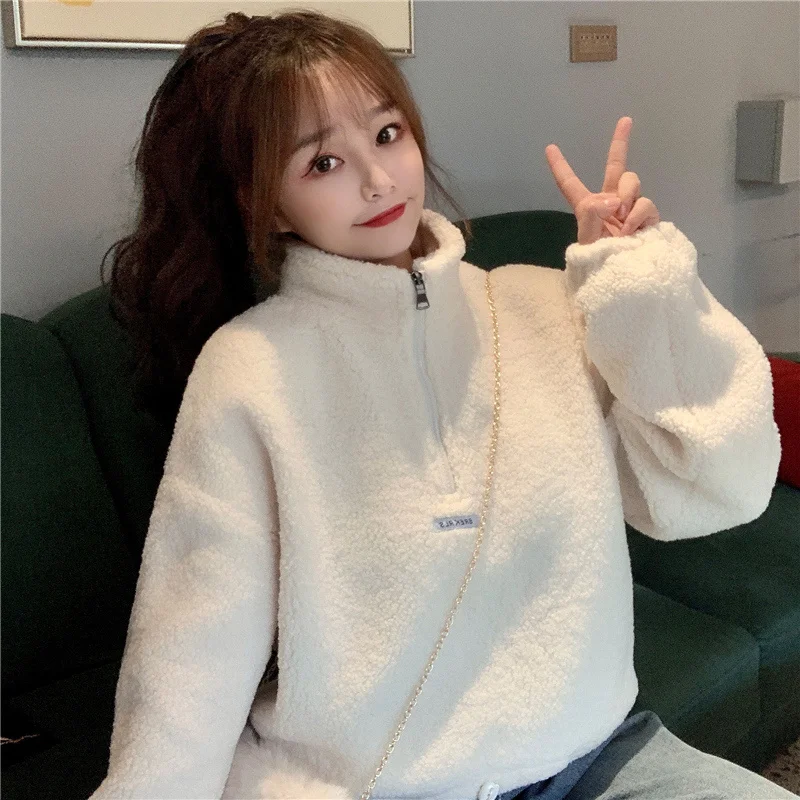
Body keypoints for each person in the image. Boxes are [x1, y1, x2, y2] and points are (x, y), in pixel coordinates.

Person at [88, 9, 789, 800]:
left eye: (387, 134)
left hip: (594, 757)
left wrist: (637, 288)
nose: (378, 179)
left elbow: (719, 485)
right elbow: (195, 642)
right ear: (269, 204)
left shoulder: (542, 308)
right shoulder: (252, 370)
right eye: (323, 162)